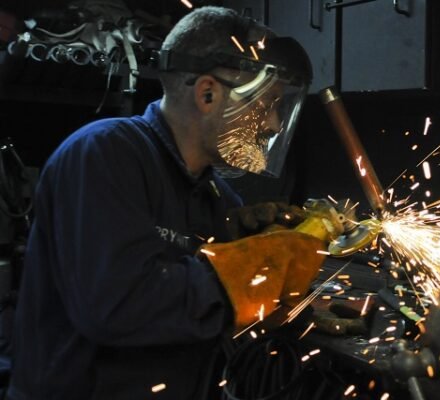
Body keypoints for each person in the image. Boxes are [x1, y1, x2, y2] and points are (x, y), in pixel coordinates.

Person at [8, 6, 328, 400]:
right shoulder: (103, 154)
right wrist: (245, 271)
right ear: (208, 93)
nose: (274, 124)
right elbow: (115, 306)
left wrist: (255, 242)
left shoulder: (216, 194)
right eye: (268, 104)